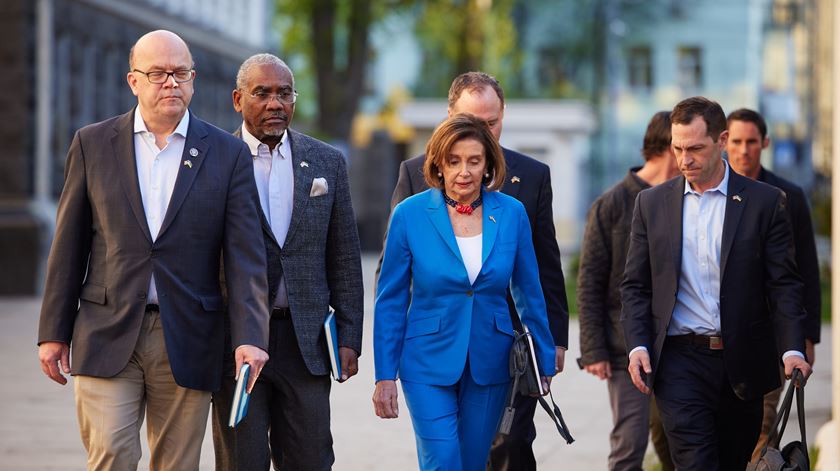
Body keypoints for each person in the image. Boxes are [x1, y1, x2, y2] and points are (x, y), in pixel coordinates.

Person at [36, 30, 269, 470]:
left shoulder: (227, 153)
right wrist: (53, 330)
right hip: (106, 329)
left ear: (194, 80)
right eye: (158, 73)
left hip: (188, 333)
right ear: (133, 81)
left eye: (180, 73)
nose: (171, 83)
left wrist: (252, 337)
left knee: (177, 464)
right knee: (111, 454)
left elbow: (245, 257)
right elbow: (68, 244)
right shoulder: (92, 144)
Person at [379, 71, 570, 471]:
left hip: (492, 358)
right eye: (454, 161)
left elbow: (531, 288)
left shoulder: (512, 211)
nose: (463, 171)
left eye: (473, 161)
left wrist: (544, 353)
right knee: (444, 459)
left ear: (488, 165)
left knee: (472, 461)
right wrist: (384, 373)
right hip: (426, 359)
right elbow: (390, 295)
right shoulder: (410, 210)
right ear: (439, 162)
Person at [620, 96, 813, 470]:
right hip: (679, 361)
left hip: (742, 363)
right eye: (677, 148)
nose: (684, 159)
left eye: (695, 148)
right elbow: (635, 285)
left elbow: (783, 284)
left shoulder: (765, 202)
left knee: (733, 460)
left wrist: (792, 348)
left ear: (721, 140)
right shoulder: (651, 204)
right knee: (695, 462)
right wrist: (638, 344)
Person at [211, 54, 364, 470]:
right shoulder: (213, 161)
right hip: (236, 343)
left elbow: (345, 255)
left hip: (306, 343)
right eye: (262, 93)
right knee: (242, 461)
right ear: (238, 99)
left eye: (284, 93)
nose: (275, 103)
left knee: (312, 459)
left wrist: (349, 334)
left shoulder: (327, 162)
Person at [577, 111, 678, 471]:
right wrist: (593, 350)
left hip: (679, 345)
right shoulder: (611, 205)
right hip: (624, 351)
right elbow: (589, 282)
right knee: (629, 446)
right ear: (670, 147)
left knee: (677, 445)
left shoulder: (686, 199)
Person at [724, 108, 821, 461]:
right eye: (736, 141)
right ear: (724, 142)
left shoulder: (788, 195)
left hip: (770, 336)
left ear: (764, 143)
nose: (744, 149)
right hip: (714, 338)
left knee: (761, 430)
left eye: (751, 141)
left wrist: (805, 335)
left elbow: (805, 270)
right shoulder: (708, 193)